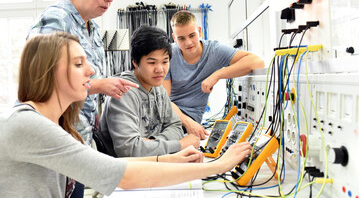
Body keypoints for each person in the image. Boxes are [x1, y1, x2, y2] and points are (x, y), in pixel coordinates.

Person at [0, 32, 252, 197]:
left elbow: (116, 166)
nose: (91, 70)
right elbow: (125, 173)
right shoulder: (27, 125)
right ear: (48, 72)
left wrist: (170, 160)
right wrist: (219, 166)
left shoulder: (58, 125)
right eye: (79, 64)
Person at [27, 0, 138, 146]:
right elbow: (43, 80)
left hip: (82, 134)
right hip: (55, 135)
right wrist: (100, 85)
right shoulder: (56, 19)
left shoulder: (92, 27)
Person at [96, 25, 200, 157]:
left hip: (152, 164)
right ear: (135, 62)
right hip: (124, 172)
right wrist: (180, 144)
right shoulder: (123, 92)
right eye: (152, 63)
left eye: (165, 61)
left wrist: (152, 143)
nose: (160, 69)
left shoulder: (158, 88)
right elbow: (129, 150)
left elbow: (175, 126)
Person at [163, 10, 265, 140]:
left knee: (166, 139)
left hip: (191, 117)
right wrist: (187, 123)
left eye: (192, 35)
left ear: (199, 31)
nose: (188, 42)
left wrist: (217, 74)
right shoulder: (168, 55)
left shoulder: (214, 51)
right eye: (181, 38)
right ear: (174, 37)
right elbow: (164, 101)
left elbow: (257, 62)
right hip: (170, 113)